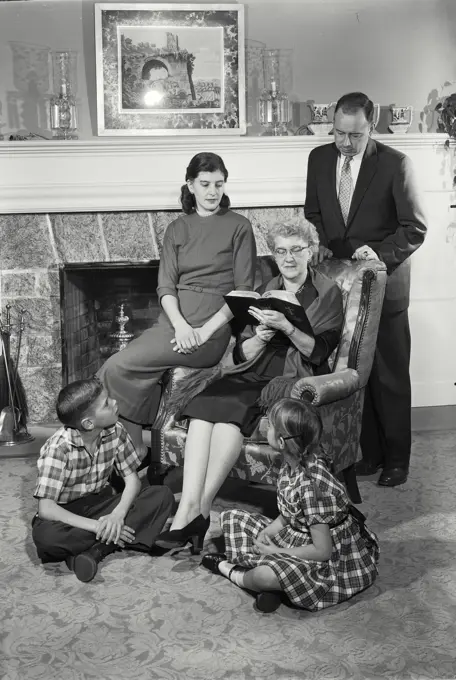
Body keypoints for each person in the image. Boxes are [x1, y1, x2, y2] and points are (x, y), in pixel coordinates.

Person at [156, 218, 344, 552]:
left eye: (296, 250)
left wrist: (286, 325)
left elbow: (318, 352)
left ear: (310, 252)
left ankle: (200, 508)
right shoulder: (266, 289)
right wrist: (260, 335)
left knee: (233, 410)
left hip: (288, 376)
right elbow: (241, 351)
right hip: (253, 368)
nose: (288, 258)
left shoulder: (327, 292)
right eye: (281, 251)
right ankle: (189, 509)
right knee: (204, 407)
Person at [97, 152, 257, 458]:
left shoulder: (240, 226)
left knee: (116, 367)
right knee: (116, 368)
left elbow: (243, 290)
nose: (213, 191)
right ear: (191, 185)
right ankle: (134, 453)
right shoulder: (176, 228)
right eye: (205, 183)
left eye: (219, 184)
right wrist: (182, 326)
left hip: (211, 328)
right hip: (172, 323)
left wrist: (203, 332)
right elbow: (166, 286)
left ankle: (130, 455)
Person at [304, 92, 427, 487]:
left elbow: (415, 228)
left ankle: (397, 460)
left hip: (384, 284)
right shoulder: (319, 159)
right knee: (354, 371)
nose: (344, 142)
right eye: (339, 133)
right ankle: (370, 454)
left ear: (370, 126)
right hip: (339, 284)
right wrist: (319, 241)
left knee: (388, 376)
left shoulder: (395, 164)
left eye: (354, 136)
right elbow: (314, 213)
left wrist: (380, 254)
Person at [202, 398, 380, 614]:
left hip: (324, 558)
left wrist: (275, 551)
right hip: (298, 535)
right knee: (231, 518)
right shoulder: (293, 462)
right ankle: (276, 589)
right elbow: (289, 515)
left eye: (271, 424)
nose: (265, 426)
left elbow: (322, 551)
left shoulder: (312, 487)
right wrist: (269, 531)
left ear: (282, 441)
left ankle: (231, 571)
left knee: (263, 576)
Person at [31, 378, 174, 583]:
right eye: (107, 403)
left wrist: (117, 514)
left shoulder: (116, 430)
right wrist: (96, 527)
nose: (115, 403)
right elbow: (46, 509)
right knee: (46, 538)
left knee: (161, 495)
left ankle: (94, 550)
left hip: (101, 503)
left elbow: (132, 480)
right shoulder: (57, 449)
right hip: (65, 514)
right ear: (89, 423)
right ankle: (102, 546)